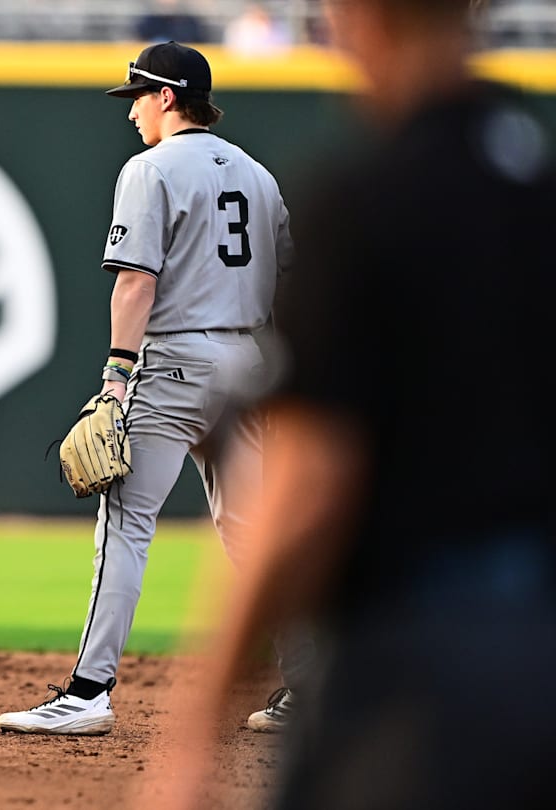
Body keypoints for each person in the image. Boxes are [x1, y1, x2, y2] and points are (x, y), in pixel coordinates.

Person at [154, 1, 556, 807]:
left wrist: (196, 726)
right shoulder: (538, 188)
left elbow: (307, 494)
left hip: (412, 664)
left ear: (360, 19)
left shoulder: (366, 201)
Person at [0, 40, 314, 736]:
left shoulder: (150, 168)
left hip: (173, 364)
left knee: (126, 525)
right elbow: (292, 280)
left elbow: (136, 280)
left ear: (167, 96)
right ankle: (310, 690)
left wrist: (115, 378)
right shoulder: (259, 176)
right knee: (256, 532)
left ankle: (87, 692)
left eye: (137, 96)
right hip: (248, 362)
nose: (132, 110)